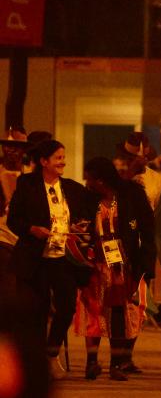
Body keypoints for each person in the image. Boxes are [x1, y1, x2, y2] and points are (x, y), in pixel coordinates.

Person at [7, 140, 92, 379]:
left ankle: (50, 353)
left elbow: (85, 217)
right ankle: (33, 363)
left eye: (64, 157)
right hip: (35, 258)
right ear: (44, 162)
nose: (62, 161)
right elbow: (14, 219)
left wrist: (79, 226)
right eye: (57, 157)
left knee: (66, 307)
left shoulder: (73, 189)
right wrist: (32, 229)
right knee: (37, 310)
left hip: (63, 258)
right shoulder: (27, 184)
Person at [74, 157, 156, 381]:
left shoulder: (131, 195)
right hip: (95, 264)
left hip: (122, 264)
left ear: (101, 180)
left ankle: (116, 364)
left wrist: (145, 263)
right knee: (93, 312)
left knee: (118, 312)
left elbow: (148, 228)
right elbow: (79, 227)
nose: (87, 182)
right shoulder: (87, 199)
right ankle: (92, 363)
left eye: (90, 178)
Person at [114, 131, 161, 374]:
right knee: (118, 303)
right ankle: (117, 356)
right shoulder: (117, 176)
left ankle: (127, 355)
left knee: (140, 303)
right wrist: (130, 172)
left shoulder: (157, 179)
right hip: (120, 243)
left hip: (144, 243)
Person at [0, 128, 30, 299]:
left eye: (17, 146)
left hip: (25, 237)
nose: (11, 150)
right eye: (8, 146)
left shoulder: (32, 176)